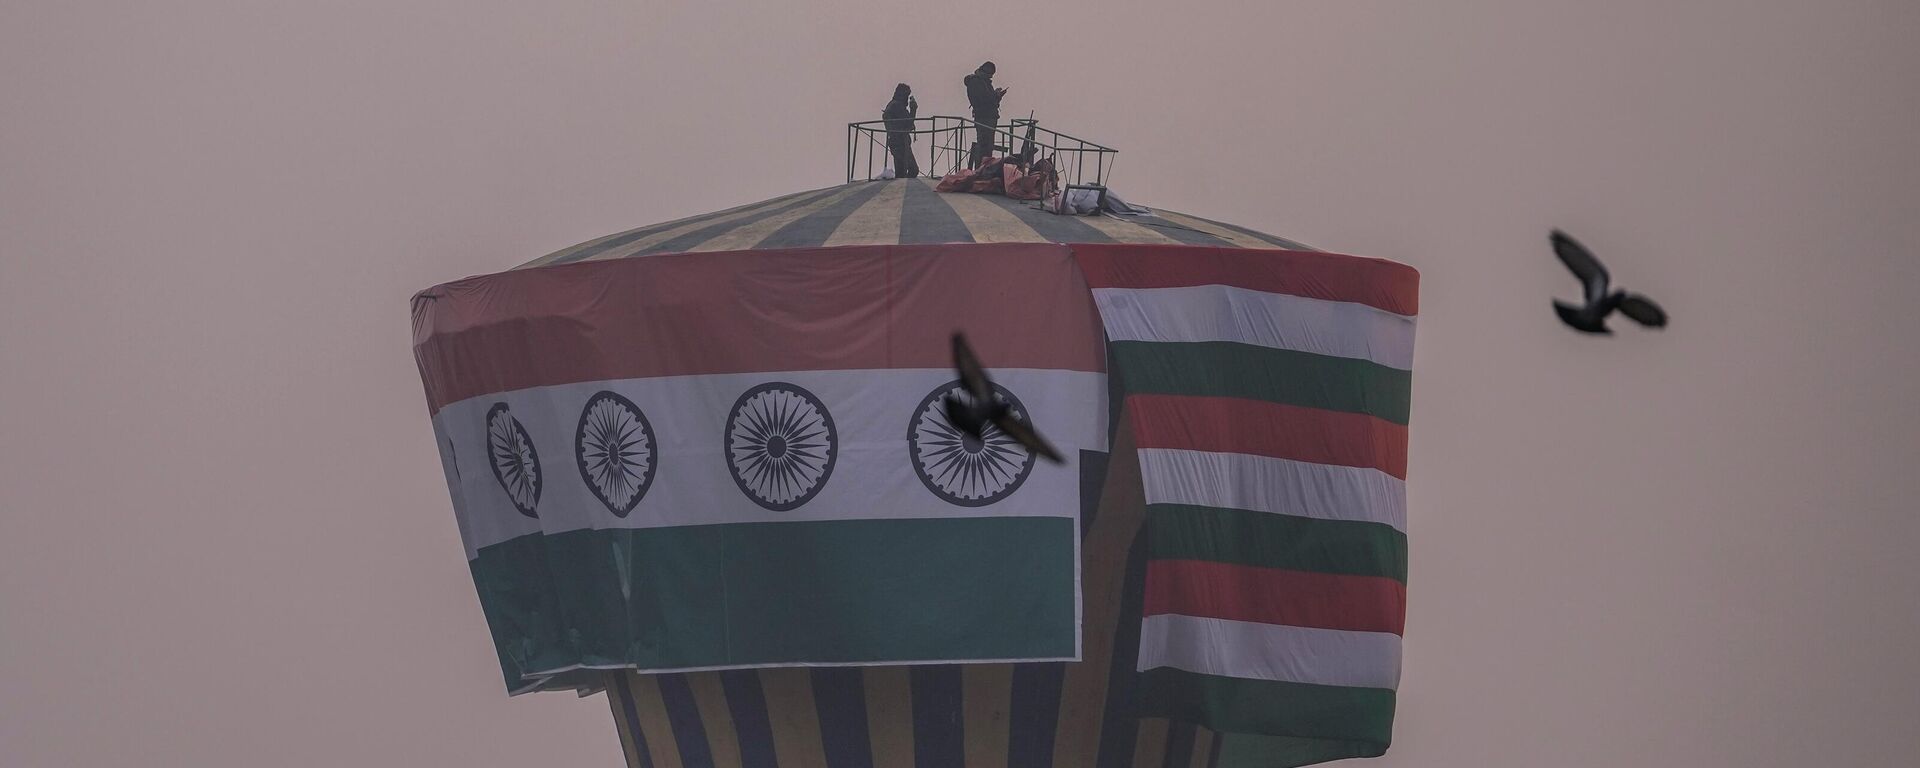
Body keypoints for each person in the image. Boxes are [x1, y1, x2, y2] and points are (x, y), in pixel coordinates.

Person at [964, 61, 1006, 168]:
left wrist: (996, 96)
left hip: (988, 117)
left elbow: (987, 99)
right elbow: (983, 100)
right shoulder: (976, 82)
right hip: (984, 117)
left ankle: (983, 168)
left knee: (987, 146)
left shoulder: (983, 82)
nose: (991, 76)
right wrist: (996, 95)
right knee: (984, 146)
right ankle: (980, 169)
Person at [882, 83, 919, 179]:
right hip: (901, 143)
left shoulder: (893, 105)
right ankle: (906, 189)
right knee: (913, 169)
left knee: (900, 172)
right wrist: (913, 109)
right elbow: (909, 124)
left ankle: (903, 188)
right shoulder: (897, 106)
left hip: (896, 142)